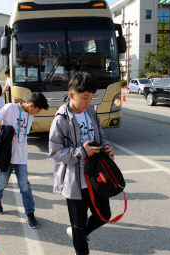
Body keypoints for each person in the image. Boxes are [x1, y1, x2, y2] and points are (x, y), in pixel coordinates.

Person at [48, 72, 115, 255]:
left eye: (91, 98)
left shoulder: (92, 112)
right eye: (85, 97)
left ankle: (79, 233)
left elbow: (101, 137)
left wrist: (106, 146)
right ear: (72, 95)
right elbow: (54, 152)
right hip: (74, 181)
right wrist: (81, 152)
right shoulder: (61, 119)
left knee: (104, 215)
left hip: (96, 176)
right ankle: (80, 243)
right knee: (78, 224)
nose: (88, 102)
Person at [0, 92, 49, 229]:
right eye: (38, 110)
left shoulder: (31, 116)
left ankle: (30, 213)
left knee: (24, 186)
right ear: (32, 105)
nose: (38, 113)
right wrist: (3, 129)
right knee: (2, 182)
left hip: (21, 157)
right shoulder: (10, 107)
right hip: (6, 154)